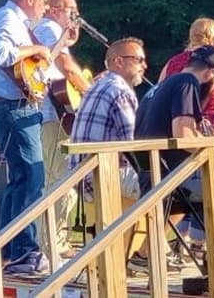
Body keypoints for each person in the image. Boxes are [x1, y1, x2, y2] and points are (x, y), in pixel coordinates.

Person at [0, 0, 55, 273]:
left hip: (15, 106)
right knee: (32, 177)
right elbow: (2, 55)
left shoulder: (15, 22)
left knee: (21, 180)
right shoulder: (7, 18)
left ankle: (8, 249)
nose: (46, 9)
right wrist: (36, 50)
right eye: (45, 2)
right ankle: (24, 250)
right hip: (12, 107)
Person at [132, 45, 214, 266]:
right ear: (210, 72)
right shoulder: (188, 83)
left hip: (151, 169)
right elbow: (182, 134)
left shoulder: (164, 84)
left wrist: (200, 134)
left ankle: (146, 252)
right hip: (169, 173)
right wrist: (212, 145)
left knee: (181, 205)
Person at [68, 37, 147, 260]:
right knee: (172, 184)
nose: (145, 65)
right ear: (118, 62)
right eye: (139, 59)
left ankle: (138, 251)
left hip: (84, 173)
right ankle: (145, 253)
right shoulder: (120, 90)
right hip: (103, 173)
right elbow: (134, 143)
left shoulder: (98, 85)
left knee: (155, 179)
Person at [34, 0, 92, 258]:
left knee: (61, 179)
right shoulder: (47, 27)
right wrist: (92, 95)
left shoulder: (54, 32)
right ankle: (52, 246)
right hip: (50, 116)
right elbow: (66, 67)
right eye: (72, 10)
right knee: (59, 179)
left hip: (56, 115)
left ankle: (56, 242)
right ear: (55, 9)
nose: (76, 16)